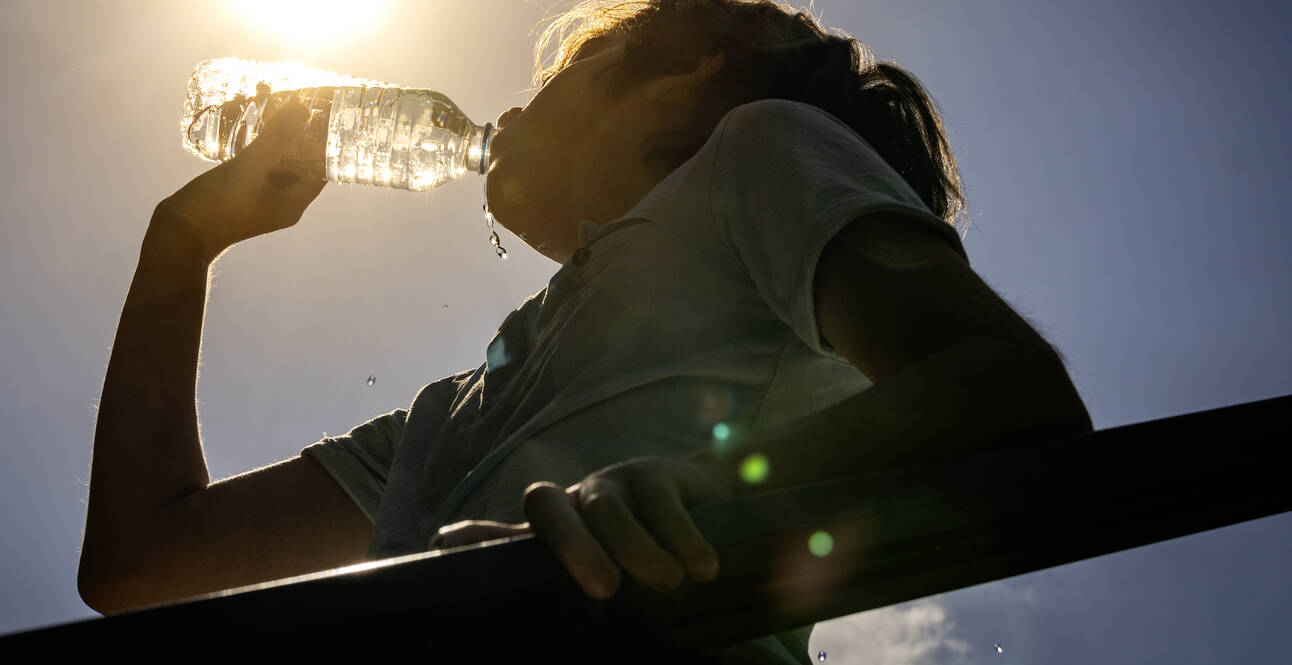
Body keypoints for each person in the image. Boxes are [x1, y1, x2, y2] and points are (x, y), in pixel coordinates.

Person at [77, 0, 1093, 662]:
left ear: (689, 70)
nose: (516, 107)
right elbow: (138, 561)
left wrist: (699, 500)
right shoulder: (460, 413)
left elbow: (1010, 393)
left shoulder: (760, 147)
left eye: (579, 61)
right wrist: (180, 244)